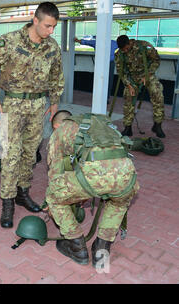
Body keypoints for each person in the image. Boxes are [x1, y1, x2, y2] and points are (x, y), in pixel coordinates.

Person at [0, 2, 64, 228]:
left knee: (30, 153)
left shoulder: (52, 47)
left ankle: (22, 193)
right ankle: (7, 203)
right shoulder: (10, 41)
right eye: (47, 26)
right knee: (10, 154)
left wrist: (54, 103)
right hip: (13, 105)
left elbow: (56, 76)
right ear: (35, 20)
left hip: (37, 106)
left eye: (54, 27)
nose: (51, 31)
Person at [43, 110, 139, 266]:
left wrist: (65, 196)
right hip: (128, 177)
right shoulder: (99, 123)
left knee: (53, 198)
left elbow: (55, 173)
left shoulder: (60, 130)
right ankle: (102, 247)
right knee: (119, 202)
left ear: (56, 125)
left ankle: (77, 246)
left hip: (95, 177)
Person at [115, 35, 165, 138]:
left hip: (147, 75)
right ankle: (128, 128)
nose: (125, 51)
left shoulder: (144, 46)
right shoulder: (119, 54)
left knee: (157, 93)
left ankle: (157, 125)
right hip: (132, 78)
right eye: (122, 50)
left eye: (126, 49)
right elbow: (121, 72)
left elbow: (156, 60)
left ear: (129, 43)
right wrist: (128, 85)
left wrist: (148, 74)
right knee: (128, 97)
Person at [74, 36, 118, 102]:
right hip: (109, 63)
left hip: (102, 63)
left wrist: (77, 40)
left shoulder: (97, 42)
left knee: (100, 80)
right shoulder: (113, 43)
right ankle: (105, 98)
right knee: (109, 80)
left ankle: (100, 97)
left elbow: (85, 42)